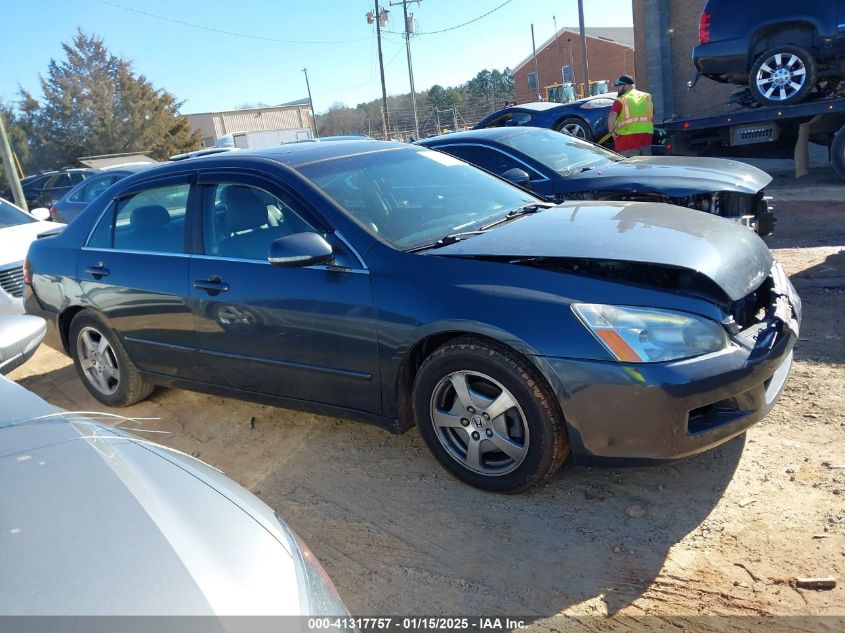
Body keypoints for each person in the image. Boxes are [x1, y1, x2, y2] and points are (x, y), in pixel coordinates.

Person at [607, 75, 654, 157]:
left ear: (626, 86)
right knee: (646, 166)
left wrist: (611, 130)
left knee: (630, 167)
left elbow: (612, 115)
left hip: (628, 139)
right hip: (646, 137)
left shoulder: (621, 99)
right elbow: (651, 113)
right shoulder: (646, 97)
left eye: (619, 86)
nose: (617, 89)